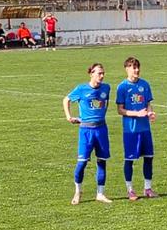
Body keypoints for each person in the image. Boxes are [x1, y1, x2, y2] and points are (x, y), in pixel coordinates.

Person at [63, 63, 112, 204]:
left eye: (103, 73)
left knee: (102, 161)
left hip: (101, 129)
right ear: (91, 74)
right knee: (82, 163)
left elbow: (105, 104)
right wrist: (69, 117)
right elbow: (66, 100)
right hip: (86, 131)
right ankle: (78, 191)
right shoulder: (81, 89)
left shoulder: (106, 88)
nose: (102, 76)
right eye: (99, 73)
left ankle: (100, 194)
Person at [116, 56, 157, 201]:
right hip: (131, 130)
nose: (137, 70)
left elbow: (148, 104)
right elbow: (120, 110)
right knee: (130, 159)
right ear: (127, 69)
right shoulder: (122, 87)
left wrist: (150, 113)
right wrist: (137, 114)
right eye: (134, 67)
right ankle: (130, 190)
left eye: (138, 67)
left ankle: (148, 188)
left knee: (149, 158)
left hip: (145, 129)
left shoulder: (144, 84)